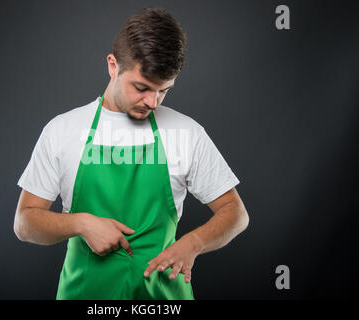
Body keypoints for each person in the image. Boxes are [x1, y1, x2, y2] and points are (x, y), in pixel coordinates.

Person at [14, 7, 249, 300]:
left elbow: (236, 213)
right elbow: (25, 223)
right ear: (113, 66)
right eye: (141, 87)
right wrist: (81, 223)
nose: (153, 101)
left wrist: (194, 243)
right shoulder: (62, 130)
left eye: (164, 90)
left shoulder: (186, 132)